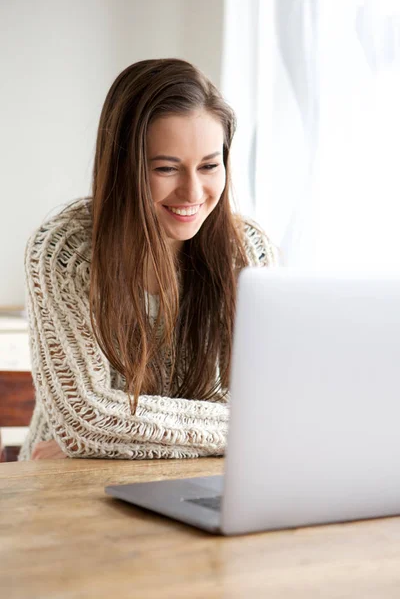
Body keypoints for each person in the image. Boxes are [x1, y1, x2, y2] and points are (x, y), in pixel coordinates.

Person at [19, 58, 279, 461]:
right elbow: (84, 420)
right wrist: (247, 429)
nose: (193, 192)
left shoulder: (249, 251)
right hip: (66, 485)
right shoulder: (64, 251)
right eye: (166, 168)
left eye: (210, 166)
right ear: (124, 167)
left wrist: (108, 442)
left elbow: (266, 406)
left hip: (189, 479)